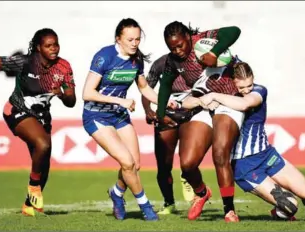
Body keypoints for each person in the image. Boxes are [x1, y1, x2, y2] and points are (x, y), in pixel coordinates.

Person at [197, 62, 305, 222]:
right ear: (232, 82)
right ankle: (279, 212)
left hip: (267, 155)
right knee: (290, 205)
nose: (246, 90)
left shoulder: (259, 91)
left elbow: (246, 103)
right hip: (244, 166)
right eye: (242, 87)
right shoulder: (225, 96)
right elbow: (192, 101)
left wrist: (213, 96)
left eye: (249, 85)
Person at [82, 18, 175, 221]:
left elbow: (144, 88)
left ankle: (116, 193)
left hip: (119, 116)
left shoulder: (136, 59)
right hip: (97, 115)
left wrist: (164, 102)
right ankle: (145, 206)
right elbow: (87, 93)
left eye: (138, 39)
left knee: (134, 165)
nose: (135, 43)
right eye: (130, 39)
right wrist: (120, 101)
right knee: (126, 161)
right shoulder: (104, 57)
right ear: (119, 39)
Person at [0, 28, 77, 216]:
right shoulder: (25, 62)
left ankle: (28, 206)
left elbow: (71, 101)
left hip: (42, 117)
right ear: (38, 48)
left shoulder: (63, 67)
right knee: (43, 144)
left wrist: (61, 95)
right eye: (48, 45)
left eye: (56, 44)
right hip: (17, 110)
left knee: (44, 166)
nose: (54, 49)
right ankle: (34, 187)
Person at [156, 21, 243, 222]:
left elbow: (234, 31)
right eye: (172, 47)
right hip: (204, 104)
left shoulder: (204, 40)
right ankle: (202, 192)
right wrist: (161, 114)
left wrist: (215, 52)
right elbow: (165, 86)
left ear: (188, 37)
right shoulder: (172, 61)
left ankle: (229, 210)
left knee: (220, 153)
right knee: (187, 165)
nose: (177, 51)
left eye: (180, 45)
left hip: (228, 100)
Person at [141, 54, 196, 215]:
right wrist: (148, 110)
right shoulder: (160, 63)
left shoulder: (197, 61)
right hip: (166, 114)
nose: (178, 50)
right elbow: (146, 88)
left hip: (191, 114)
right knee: (163, 166)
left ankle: (187, 175)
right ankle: (169, 203)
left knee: (189, 160)